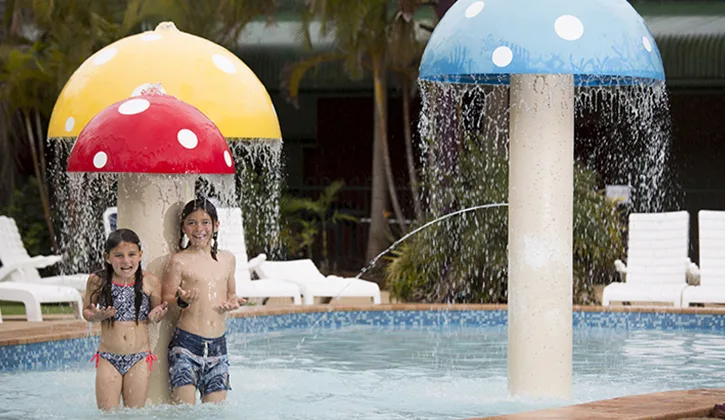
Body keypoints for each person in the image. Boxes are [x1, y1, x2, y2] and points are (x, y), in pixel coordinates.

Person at [162, 197, 245, 405]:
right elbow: (166, 300)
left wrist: (232, 301)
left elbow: (231, 293)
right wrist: (181, 300)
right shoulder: (178, 260)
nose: (199, 229)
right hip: (186, 346)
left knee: (215, 413)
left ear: (216, 225)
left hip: (218, 347)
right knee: (184, 412)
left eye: (205, 222)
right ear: (183, 228)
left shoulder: (227, 259)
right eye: (192, 223)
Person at [83, 228, 169, 410]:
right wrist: (95, 316)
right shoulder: (97, 280)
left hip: (139, 358)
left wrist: (156, 316)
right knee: (108, 414)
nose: (126, 261)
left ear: (140, 255)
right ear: (107, 257)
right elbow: (86, 311)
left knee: (134, 414)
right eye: (119, 256)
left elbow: (156, 315)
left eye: (131, 254)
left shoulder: (150, 281)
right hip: (108, 357)